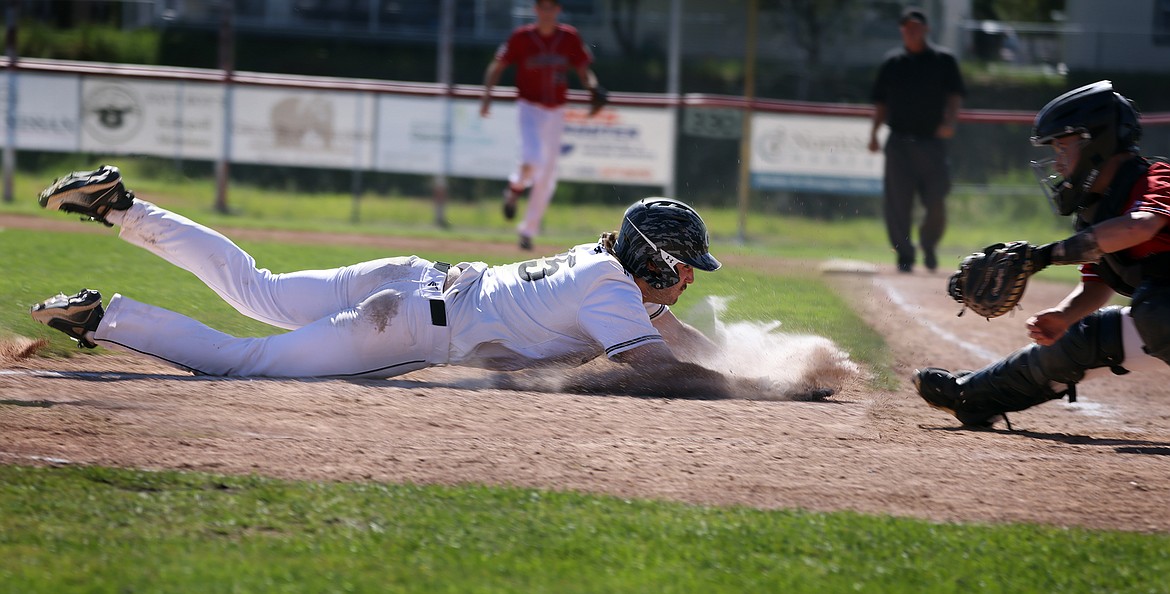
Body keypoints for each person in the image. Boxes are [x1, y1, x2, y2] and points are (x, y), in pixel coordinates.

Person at [28, 165, 821, 401]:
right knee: (242, 360)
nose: (685, 283)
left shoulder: (602, 266)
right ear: (651, 256)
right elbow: (649, 361)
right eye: (682, 267)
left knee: (256, 287)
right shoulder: (613, 292)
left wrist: (752, 367)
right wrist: (753, 391)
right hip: (408, 328)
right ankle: (106, 319)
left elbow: (672, 336)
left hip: (415, 276)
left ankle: (123, 207)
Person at [915, 80, 1170, 428]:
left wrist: (1044, 257)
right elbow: (1097, 283)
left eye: (1064, 149)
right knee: (1084, 337)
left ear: (1097, 143)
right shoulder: (1096, 212)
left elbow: (1139, 227)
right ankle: (972, 395)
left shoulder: (1157, 179)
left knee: (1155, 309)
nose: (1059, 163)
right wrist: (1064, 315)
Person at [480, 0, 603, 251]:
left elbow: (583, 69)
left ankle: (527, 231)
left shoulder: (568, 36)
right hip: (529, 107)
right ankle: (516, 186)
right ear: (536, 10)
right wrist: (487, 96)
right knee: (532, 158)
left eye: (552, 7)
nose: (547, 12)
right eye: (542, 7)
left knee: (546, 178)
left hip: (556, 111)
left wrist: (593, 88)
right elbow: (498, 65)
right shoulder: (522, 37)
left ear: (558, 10)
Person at [868, 6, 965, 273]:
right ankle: (904, 255)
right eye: (906, 28)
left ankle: (929, 244)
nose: (911, 32)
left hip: (930, 142)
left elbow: (955, 94)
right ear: (902, 31)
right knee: (897, 203)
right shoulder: (893, 63)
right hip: (898, 141)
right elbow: (880, 103)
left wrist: (950, 121)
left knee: (936, 200)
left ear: (926, 30)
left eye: (916, 27)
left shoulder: (943, 60)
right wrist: (874, 133)